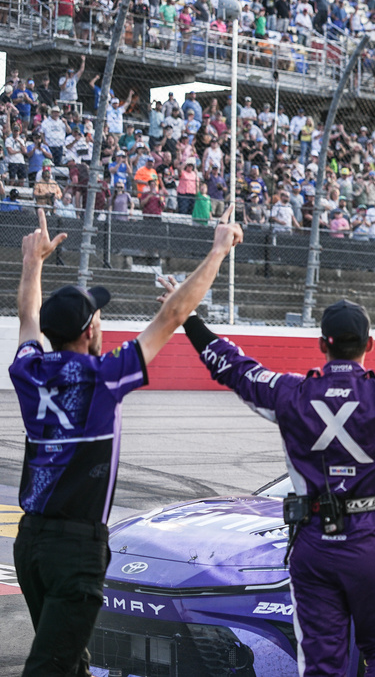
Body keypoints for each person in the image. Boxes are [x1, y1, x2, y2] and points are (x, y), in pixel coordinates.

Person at [175, 250, 375, 676]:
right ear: (371, 346)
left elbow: (234, 368)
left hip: (312, 541)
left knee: (321, 662)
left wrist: (187, 318)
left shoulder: (291, 394)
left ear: (322, 345)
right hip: (372, 541)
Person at [10, 206, 241, 676]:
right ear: (91, 330)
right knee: (52, 665)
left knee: (70, 659)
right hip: (75, 547)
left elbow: (26, 314)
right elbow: (174, 314)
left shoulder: (27, 369)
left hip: (30, 541)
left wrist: (32, 262)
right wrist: (218, 250)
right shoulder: (104, 376)